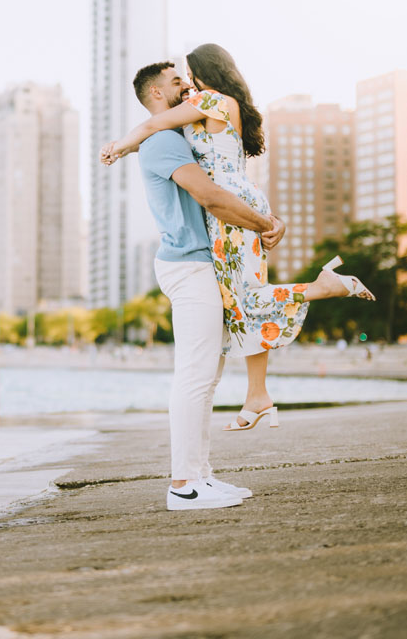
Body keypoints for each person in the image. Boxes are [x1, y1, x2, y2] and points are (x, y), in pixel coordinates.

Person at [102, 46, 374, 436]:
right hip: (240, 199)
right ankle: (258, 396)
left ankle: (321, 288)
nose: (189, 83)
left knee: (244, 298)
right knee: (239, 299)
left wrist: (117, 147)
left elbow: (149, 127)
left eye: (190, 75)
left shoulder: (211, 100)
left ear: (205, 73)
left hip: (227, 207)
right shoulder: (224, 103)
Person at [111, 62, 286, 510]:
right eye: (176, 82)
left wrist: (265, 222)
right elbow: (209, 196)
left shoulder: (182, 135)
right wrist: (265, 223)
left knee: (207, 377)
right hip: (189, 267)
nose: (186, 86)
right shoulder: (164, 141)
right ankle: (183, 485)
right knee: (194, 375)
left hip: (205, 265)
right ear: (154, 94)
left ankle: (202, 477)